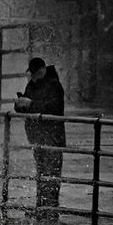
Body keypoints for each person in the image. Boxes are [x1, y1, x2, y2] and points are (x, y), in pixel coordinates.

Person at [13, 57, 66, 216]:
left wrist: (30, 104)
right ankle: (42, 208)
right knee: (42, 174)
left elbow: (54, 108)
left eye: (36, 74)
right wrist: (20, 105)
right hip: (37, 137)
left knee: (51, 174)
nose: (33, 77)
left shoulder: (53, 85)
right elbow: (31, 108)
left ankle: (50, 210)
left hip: (51, 138)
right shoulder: (33, 84)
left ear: (43, 70)